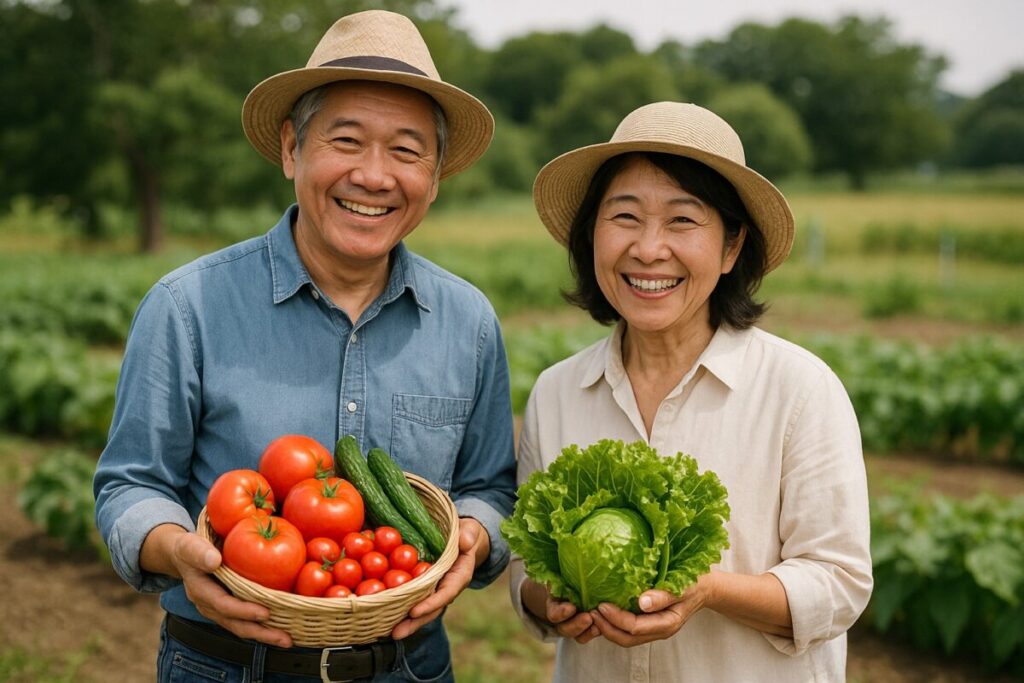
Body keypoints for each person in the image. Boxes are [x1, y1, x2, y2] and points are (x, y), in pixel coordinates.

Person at [93, 10, 516, 682]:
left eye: (407, 151)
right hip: (226, 664)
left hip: (410, 665)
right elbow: (131, 484)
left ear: (434, 177)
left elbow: (490, 485)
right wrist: (179, 553)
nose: (375, 176)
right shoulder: (186, 306)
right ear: (292, 148)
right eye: (346, 140)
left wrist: (474, 534)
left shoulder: (468, 321)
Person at [509, 102, 873, 682]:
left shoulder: (799, 389)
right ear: (591, 236)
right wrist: (546, 599)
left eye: (683, 220)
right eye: (624, 216)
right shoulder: (557, 392)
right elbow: (526, 566)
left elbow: (839, 585)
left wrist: (708, 590)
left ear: (732, 248)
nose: (650, 249)